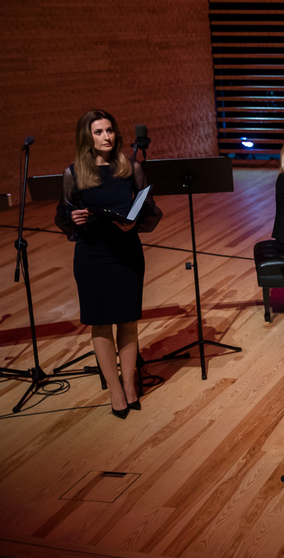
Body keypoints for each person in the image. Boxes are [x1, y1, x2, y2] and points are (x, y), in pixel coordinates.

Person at [55, 110, 162, 419]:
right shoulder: (73, 173)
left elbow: (148, 207)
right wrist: (74, 217)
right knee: (100, 322)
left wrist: (134, 222)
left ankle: (129, 385)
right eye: (99, 132)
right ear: (87, 137)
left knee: (128, 320)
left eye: (110, 130)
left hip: (126, 251)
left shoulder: (131, 167)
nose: (107, 136)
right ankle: (114, 390)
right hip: (92, 254)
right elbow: (64, 214)